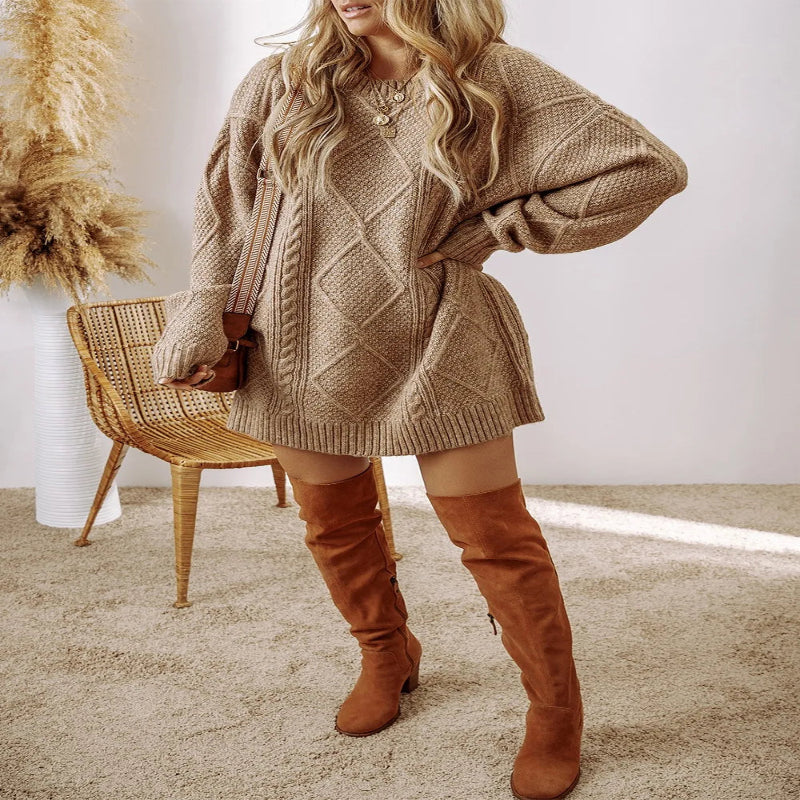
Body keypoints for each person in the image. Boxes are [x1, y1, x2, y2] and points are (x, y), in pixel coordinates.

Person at [152, 1, 688, 797]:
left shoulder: (492, 78)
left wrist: (498, 230)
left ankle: (554, 714)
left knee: (496, 539)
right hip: (294, 340)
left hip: (440, 337)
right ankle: (386, 653)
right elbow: (226, 212)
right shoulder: (283, 82)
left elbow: (647, 167)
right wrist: (200, 317)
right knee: (333, 523)